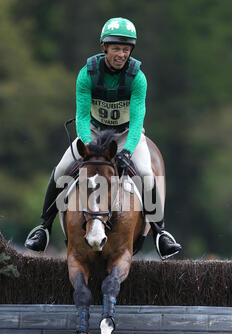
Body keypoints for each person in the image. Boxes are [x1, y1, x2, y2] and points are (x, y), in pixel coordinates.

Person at [25, 17, 181, 259]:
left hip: (127, 134)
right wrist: (88, 146)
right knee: (61, 170)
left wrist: (128, 150)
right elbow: (82, 116)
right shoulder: (87, 74)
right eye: (116, 48)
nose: (121, 54)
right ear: (104, 48)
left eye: (126, 49)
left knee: (146, 174)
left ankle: (161, 233)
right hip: (93, 134)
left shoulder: (138, 78)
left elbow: (138, 118)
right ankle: (43, 228)